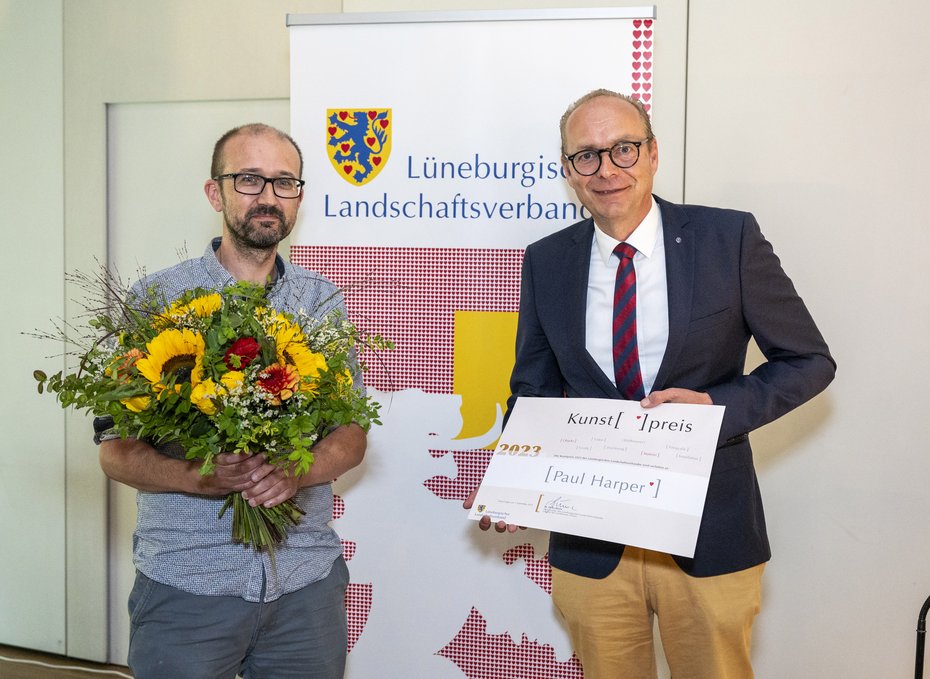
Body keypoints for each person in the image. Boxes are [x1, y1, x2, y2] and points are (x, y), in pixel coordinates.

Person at [465, 90, 835, 678]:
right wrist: (515, 480)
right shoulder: (547, 261)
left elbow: (809, 361)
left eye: (624, 148)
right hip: (591, 543)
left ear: (654, 153)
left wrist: (712, 407)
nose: (607, 169)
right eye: (586, 155)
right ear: (567, 170)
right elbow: (532, 391)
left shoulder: (728, 240)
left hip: (708, 533)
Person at [98, 123, 366, 679]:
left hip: (304, 586)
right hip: (188, 585)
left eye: (284, 182)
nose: (268, 196)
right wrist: (203, 476)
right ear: (215, 192)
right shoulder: (156, 303)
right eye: (249, 179)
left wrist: (298, 471)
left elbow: (352, 435)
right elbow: (114, 451)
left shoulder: (322, 302)